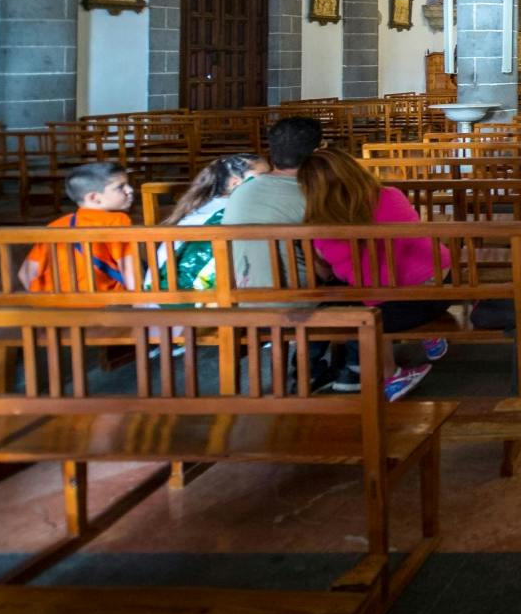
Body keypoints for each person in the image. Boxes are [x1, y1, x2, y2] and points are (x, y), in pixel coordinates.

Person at [302, 147, 447, 401]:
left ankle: (391, 376)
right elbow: (416, 236)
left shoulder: (317, 225)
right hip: (441, 292)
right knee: (409, 273)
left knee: (371, 298)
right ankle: (429, 332)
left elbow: (324, 270)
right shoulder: (390, 196)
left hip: (387, 314)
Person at [219, 116, 321, 290]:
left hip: (243, 300)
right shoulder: (314, 194)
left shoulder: (241, 191)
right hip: (300, 302)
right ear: (318, 152)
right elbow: (324, 267)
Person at [18, 162, 137, 292]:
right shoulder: (118, 220)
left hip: (53, 304)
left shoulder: (57, 225)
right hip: (100, 304)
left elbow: (25, 274)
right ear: (94, 197)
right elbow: (129, 270)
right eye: (121, 187)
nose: (130, 190)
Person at [158, 153, 266, 293]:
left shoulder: (205, 206)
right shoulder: (232, 213)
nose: (272, 182)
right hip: (185, 299)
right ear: (235, 183)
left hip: (161, 292)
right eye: (264, 177)